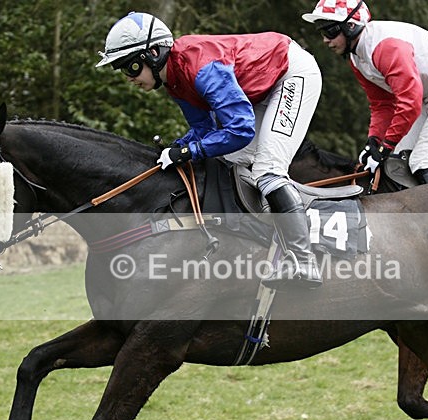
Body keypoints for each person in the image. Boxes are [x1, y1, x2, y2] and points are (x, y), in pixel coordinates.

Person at [96, 12, 322, 289]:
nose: (128, 77)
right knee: (232, 157)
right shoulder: (175, 81)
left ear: (153, 54)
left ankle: (303, 259)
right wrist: (178, 148)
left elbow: (239, 130)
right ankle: (269, 235)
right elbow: (206, 133)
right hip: (263, 88)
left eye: (129, 67)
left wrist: (189, 152)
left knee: (268, 169)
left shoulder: (202, 69)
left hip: (291, 72)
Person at [302, 0, 428, 185]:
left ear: (351, 26)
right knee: (397, 163)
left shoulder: (386, 47)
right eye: (322, 32)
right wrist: (374, 141)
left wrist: (385, 146)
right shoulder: (357, 58)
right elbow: (382, 104)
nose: (325, 40)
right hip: (425, 95)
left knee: (423, 162)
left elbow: (409, 102)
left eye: (330, 31)